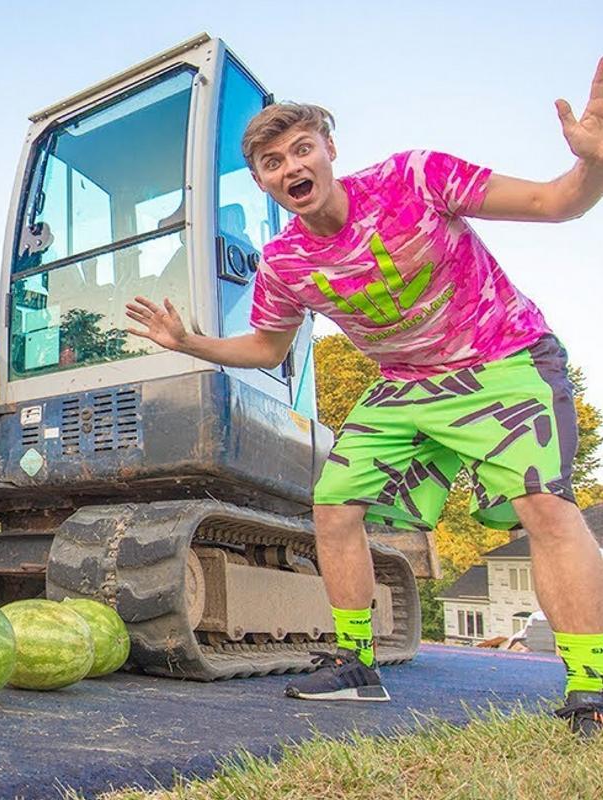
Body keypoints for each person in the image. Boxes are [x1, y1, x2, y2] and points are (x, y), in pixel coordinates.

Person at [124, 58, 603, 736]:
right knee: (333, 506)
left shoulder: (414, 178)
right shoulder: (285, 263)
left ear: (327, 150)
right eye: (270, 161)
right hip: (404, 386)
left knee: (543, 508)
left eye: (300, 148)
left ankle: (590, 687)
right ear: (261, 181)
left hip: (499, 358)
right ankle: (355, 665)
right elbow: (264, 349)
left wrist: (591, 163)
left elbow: (555, 203)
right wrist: (187, 341)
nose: (289, 165)